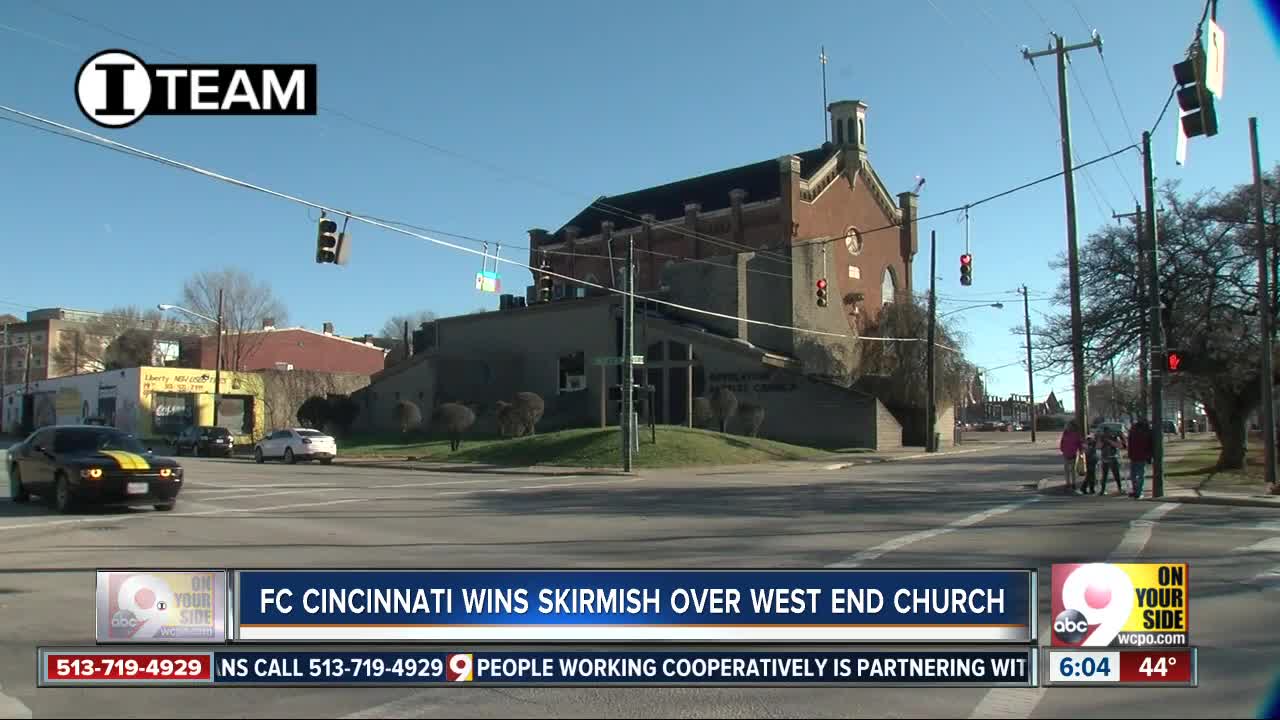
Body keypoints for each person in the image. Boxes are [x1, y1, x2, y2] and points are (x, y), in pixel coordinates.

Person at [1128, 419, 1154, 499]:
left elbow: (1130, 444)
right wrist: (1149, 457)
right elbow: (1150, 445)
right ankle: (1139, 491)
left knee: (1134, 475)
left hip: (1134, 456)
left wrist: (1130, 454)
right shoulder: (1147, 433)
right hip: (1142, 456)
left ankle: (1136, 491)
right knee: (1140, 475)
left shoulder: (1133, 432)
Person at [1059, 421, 1085, 494]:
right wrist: (1062, 449)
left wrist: (1081, 451)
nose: (1067, 427)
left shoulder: (1075, 434)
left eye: (1068, 426)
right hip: (1066, 453)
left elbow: (1079, 443)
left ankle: (1072, 483)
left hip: (1073, 453)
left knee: (1072, 469)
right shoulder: (1066, 433)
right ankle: (1068, 483)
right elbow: (1062, 442)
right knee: (1067, 469)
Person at [1099, 427, 1124, 495]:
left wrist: (1109, 440)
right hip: (1105, 458)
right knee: (1104, 475)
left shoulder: (1113, 438)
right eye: (1105, 432)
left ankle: (1120, 488)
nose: (1107, 434)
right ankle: (1102, 490)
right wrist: (1102, 441)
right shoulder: (1102, 438)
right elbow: (1098, 446)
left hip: (1113, 457)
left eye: (1108, 432)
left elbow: (1119, 445)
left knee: (1116, 474)